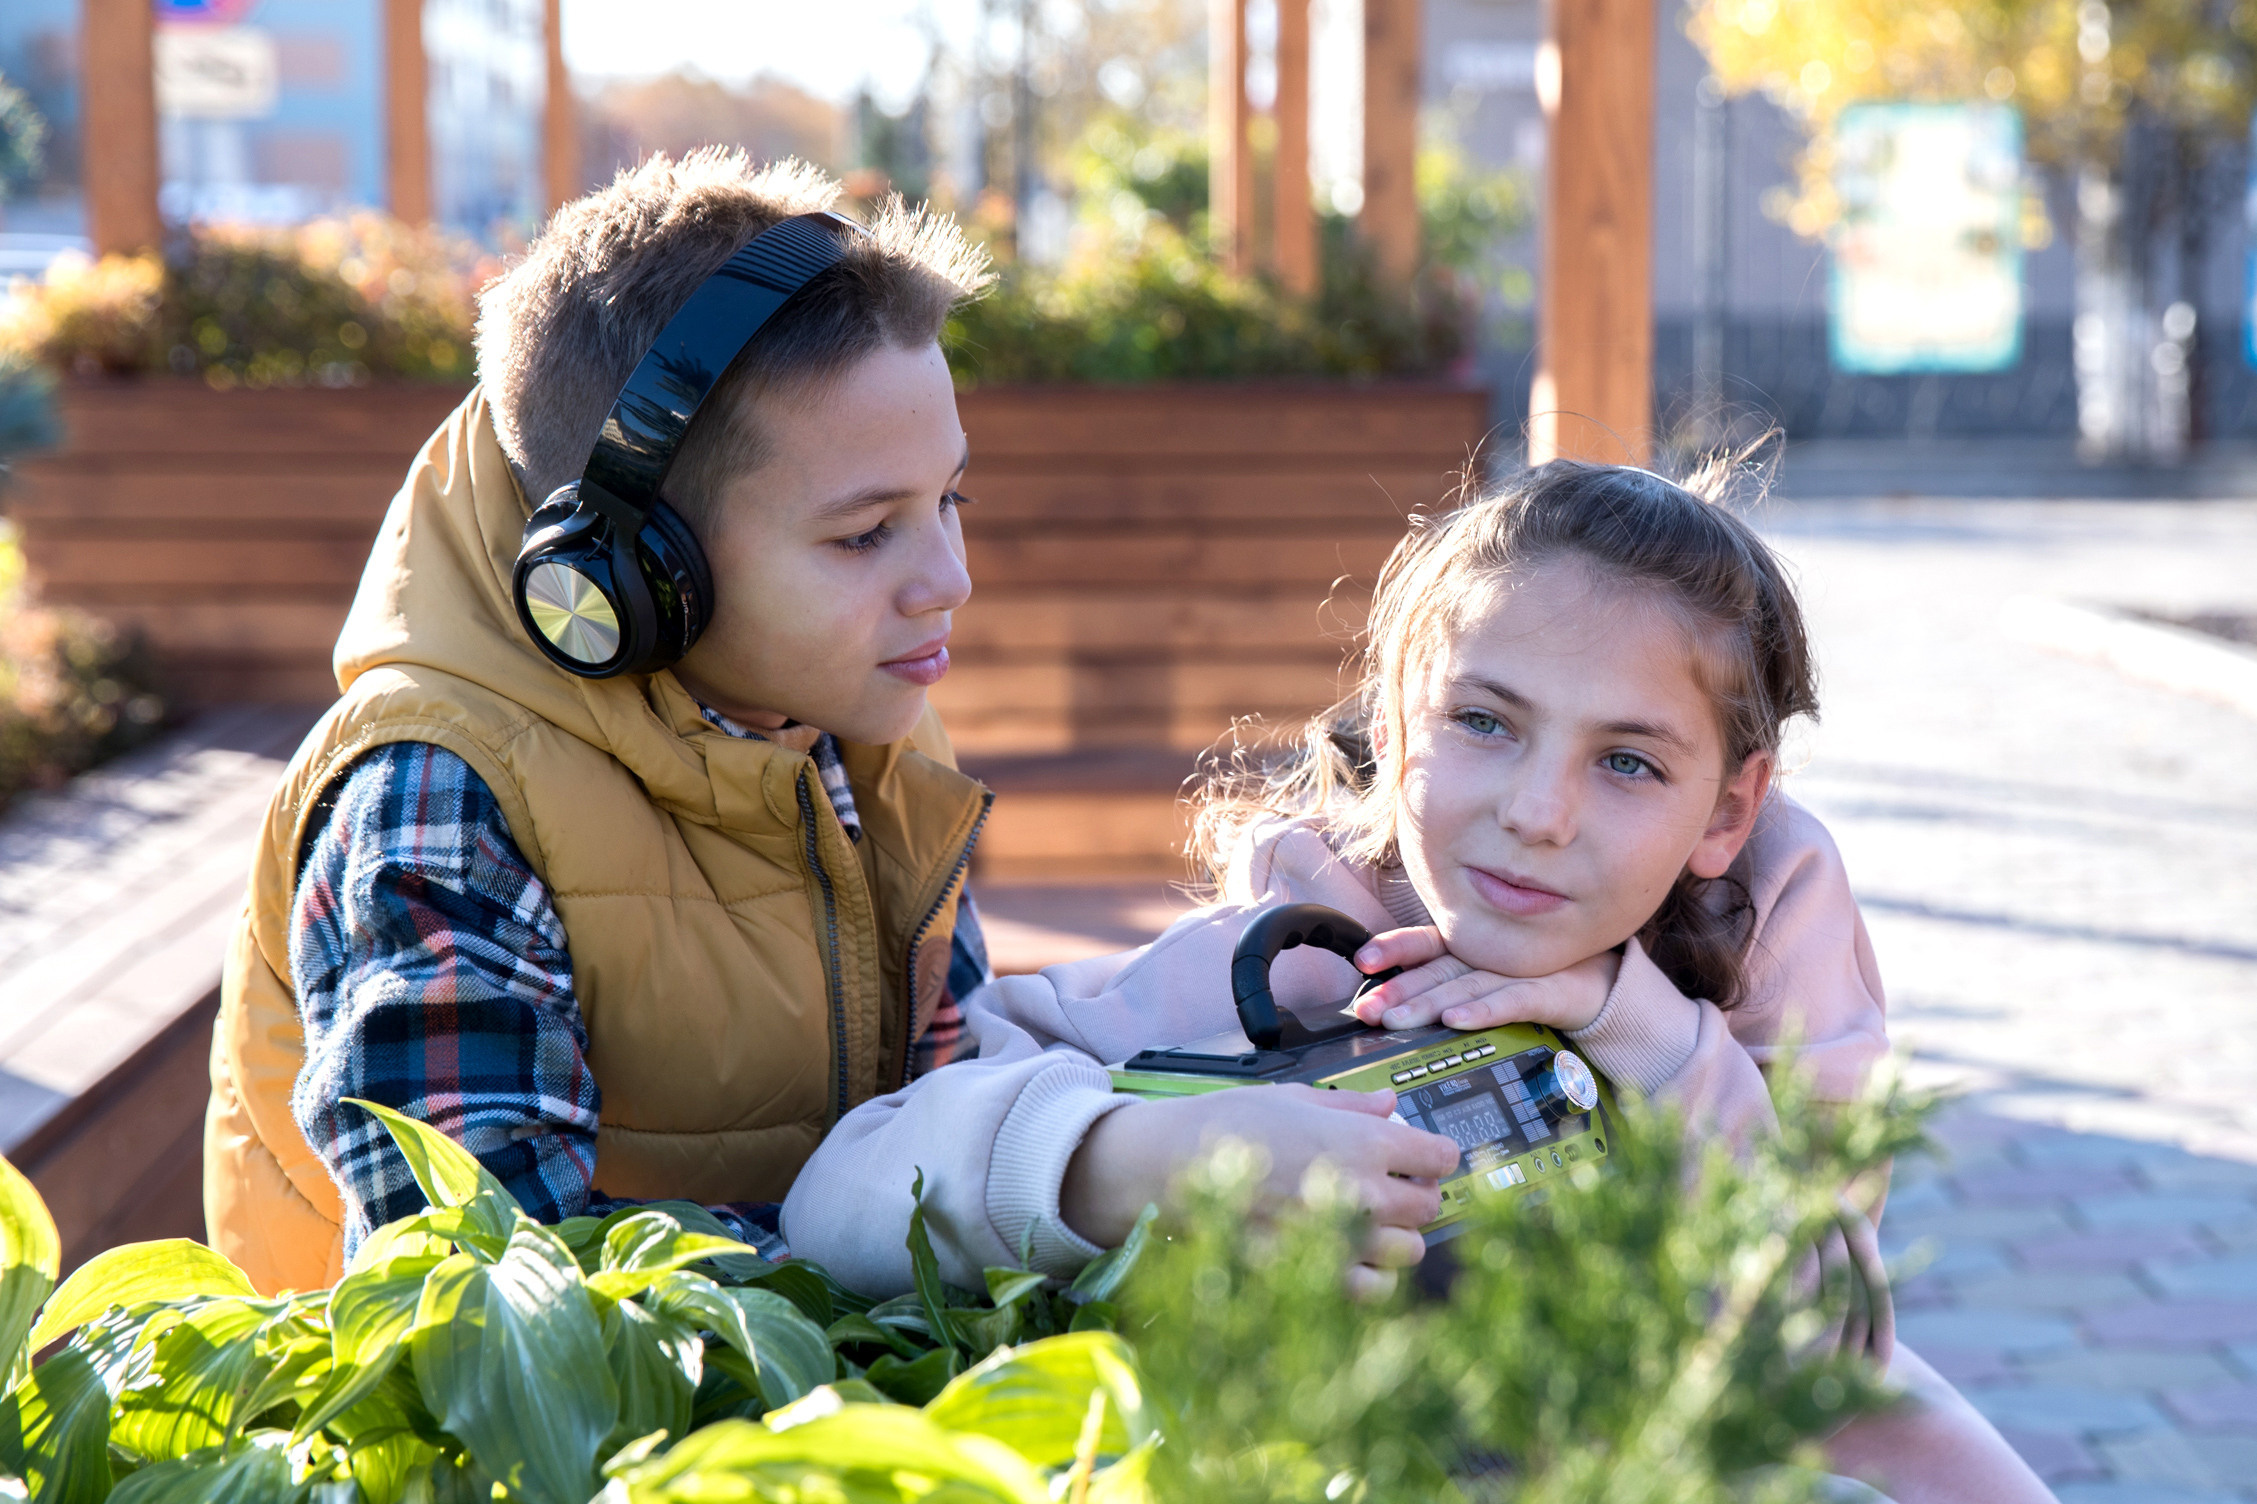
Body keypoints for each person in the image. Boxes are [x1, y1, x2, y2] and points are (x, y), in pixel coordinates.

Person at [784, 460, 2053, 1502]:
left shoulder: (1764, 934)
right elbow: (840, 1193)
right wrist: (1140, 1156)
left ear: (1729, 810)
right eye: (1484, 723)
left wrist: (1644, 1031)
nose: (1536, 814)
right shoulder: (1279, 971)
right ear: (1395, 730)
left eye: (1627, 763)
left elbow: (1815, 1318)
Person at [203, 152, 999, 1293]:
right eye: (866, 533)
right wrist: (965, 1222)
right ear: (627, 575)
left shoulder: (853, 722)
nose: (948, 580)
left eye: (950, 499)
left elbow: (943, 1080)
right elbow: (501, 1298)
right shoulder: (438, 800)